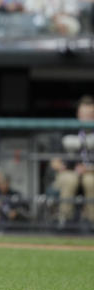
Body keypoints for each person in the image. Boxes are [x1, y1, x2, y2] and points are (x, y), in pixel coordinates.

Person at [51, 95, 94, 228]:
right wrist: (59, 166)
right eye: (83, 114)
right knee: (70, 179)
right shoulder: (68, 129)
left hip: (91, 171)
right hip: (69, 172)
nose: (86, 118)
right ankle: (65, 222)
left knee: (90, 180)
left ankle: (92, 221)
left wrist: (88, 169)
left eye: (90, 114)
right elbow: (54, 161)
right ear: (78, 114)